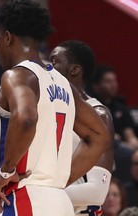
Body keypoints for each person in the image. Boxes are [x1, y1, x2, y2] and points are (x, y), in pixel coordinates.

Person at [0, 1, 112, 215]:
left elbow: (26, 118)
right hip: (59, 201)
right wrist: (61, 177)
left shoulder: (17, 75)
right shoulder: (64, 83)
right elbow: (99, 135)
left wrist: (7, 172)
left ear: (8, 37)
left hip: (23, 196)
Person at [49, 40, 115, 215]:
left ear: (74, 70)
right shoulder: (48, 111)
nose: (48, 68)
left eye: (54, 61)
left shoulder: (98, 114)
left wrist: (42, 194)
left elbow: (97, 192)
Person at [89, 65, 138, 149]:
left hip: (123, 149)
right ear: (96, 86)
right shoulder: (91, 106)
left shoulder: (120, 107)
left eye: (114, 81)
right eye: (108, 81)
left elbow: (130, 136)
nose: (113, 85)